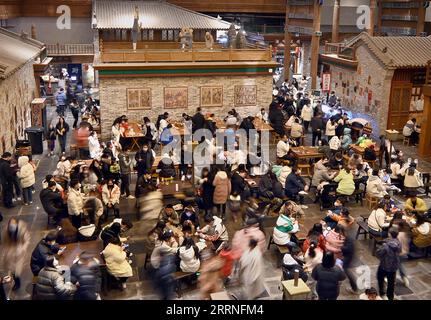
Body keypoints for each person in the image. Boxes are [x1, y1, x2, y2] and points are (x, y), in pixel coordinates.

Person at [1, 218, 30, 290]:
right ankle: (16, 280)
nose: (12, 226)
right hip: (10, 252)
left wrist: (22, 249)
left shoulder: (22, 230)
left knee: (16, 270)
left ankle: (17, 283)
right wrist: (5, 250)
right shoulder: (6, 230)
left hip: (19, 252)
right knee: (13, 269)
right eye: (11, 224)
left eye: (13, 224)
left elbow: (26, 240)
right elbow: (5, 241)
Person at [376, 227, 401, 300]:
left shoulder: (385, 245)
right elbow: (399, 251)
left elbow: (378, 253)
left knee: (380, 278)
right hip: (393, 266)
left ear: (389, 234)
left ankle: (382, 293)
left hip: (385, 265)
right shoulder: (398, 243)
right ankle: (390, 297)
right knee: (391, 283)